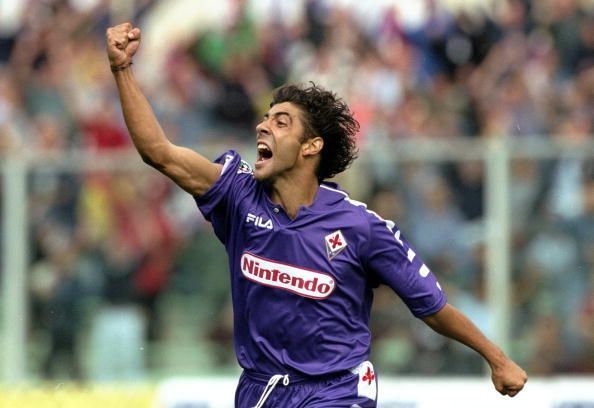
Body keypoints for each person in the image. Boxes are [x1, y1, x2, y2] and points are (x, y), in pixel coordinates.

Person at [106, 22, 527, 408]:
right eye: (266, 119)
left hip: (337, 389)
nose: (263, 127)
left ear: (311, 147)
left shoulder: (361, 227)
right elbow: (158, 152)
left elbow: (431, 306)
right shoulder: (238, 195)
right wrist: (122, 69)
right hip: (260, 389)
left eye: (281, 122)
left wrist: (496, 358)